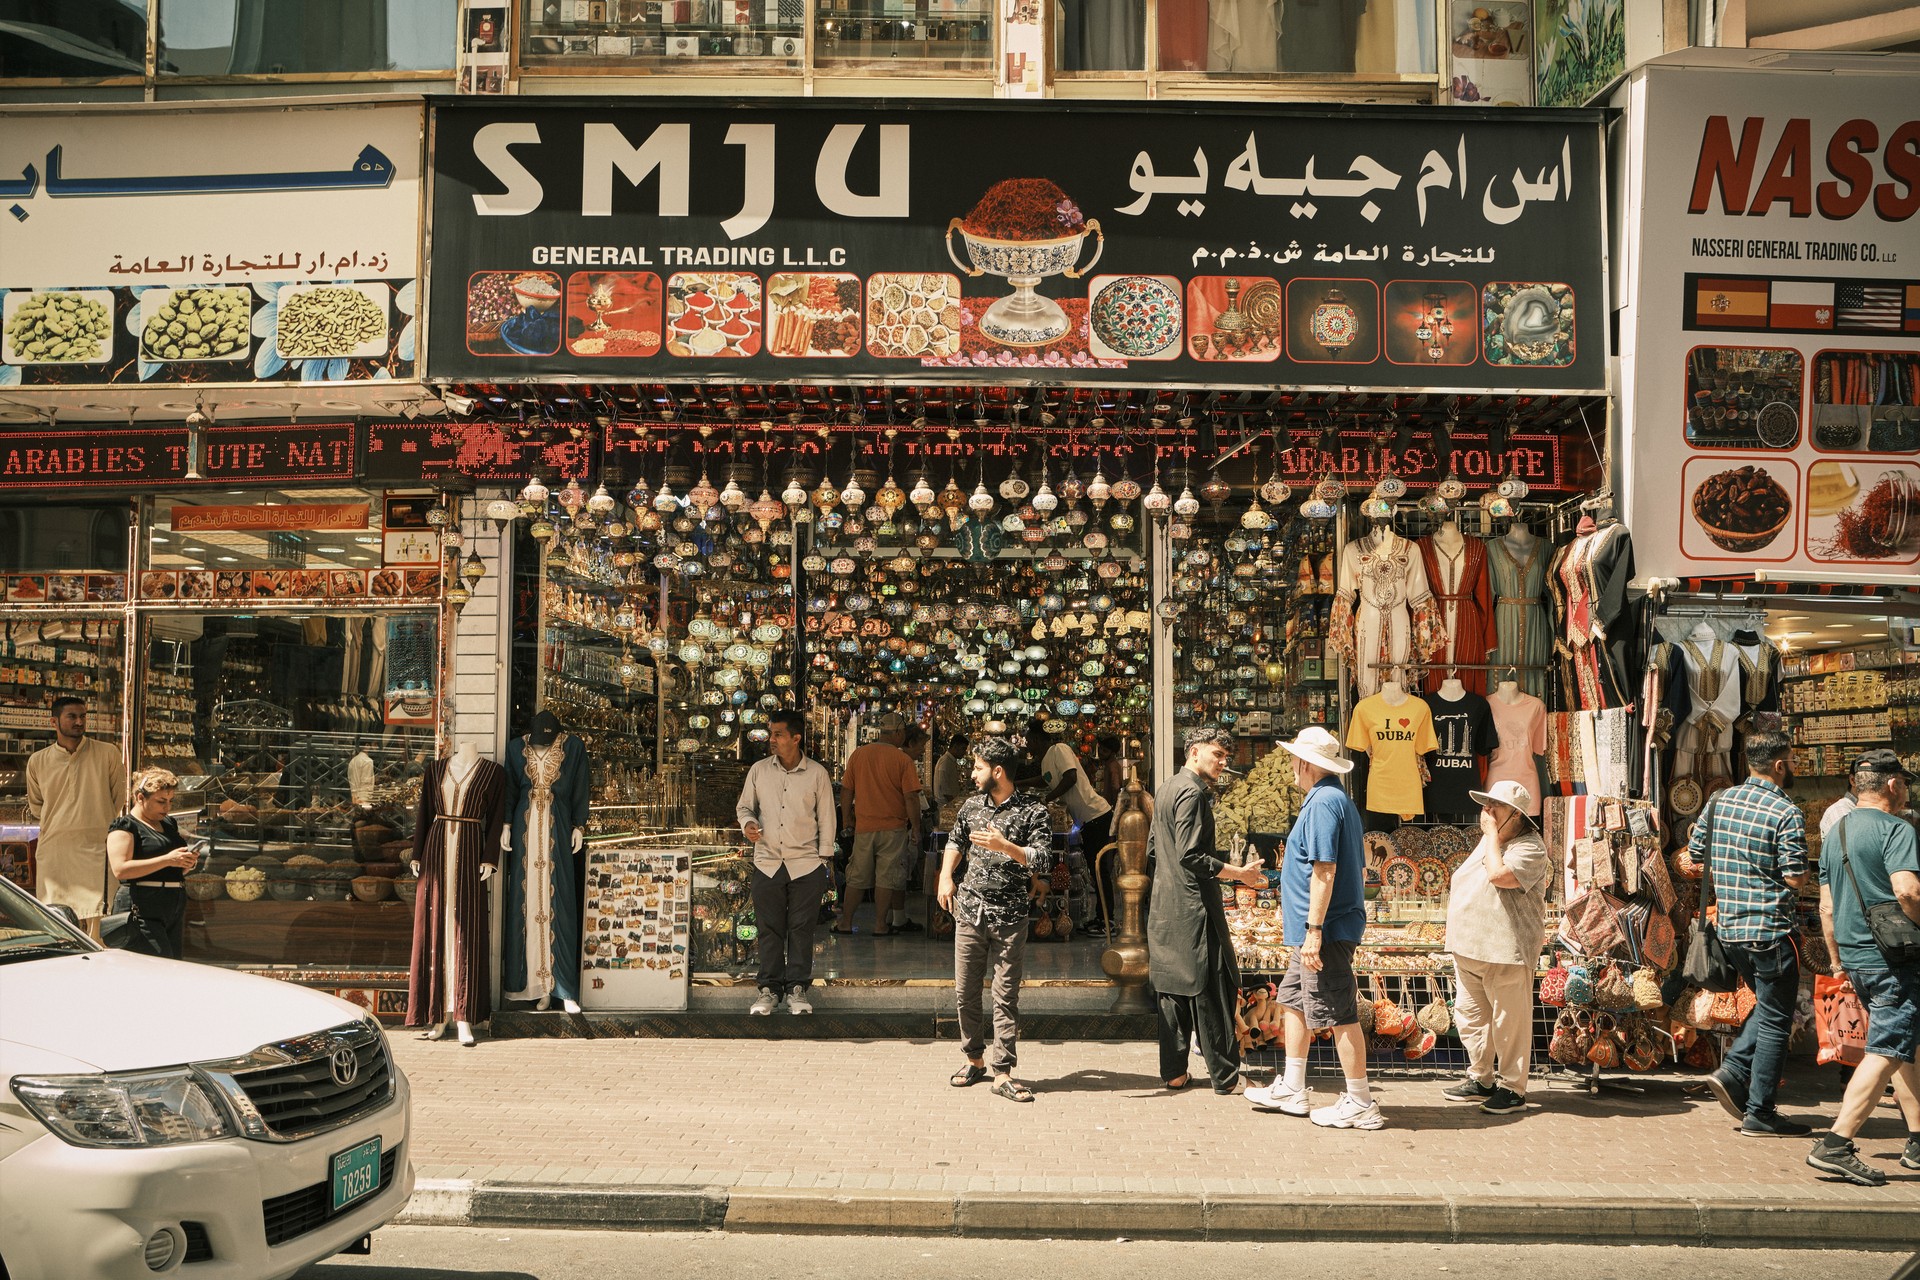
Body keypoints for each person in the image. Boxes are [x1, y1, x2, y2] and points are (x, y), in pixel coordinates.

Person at [1245, 726, 1379, 1129]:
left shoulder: (1323, 803)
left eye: (1293, 758)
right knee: (1293, 999)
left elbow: (1324, 870)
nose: (1290, 765)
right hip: (1319, 929)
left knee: (1338, 1012)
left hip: (1326, 930)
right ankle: (1293, 1084)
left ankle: (1361, 1101)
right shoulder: (1332, 799)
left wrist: (1314, 930)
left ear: (1306, 763)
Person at [1690, 728, 1811, 1137]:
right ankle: (1760, 1110)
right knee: (1777, 1018)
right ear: (1779, 765)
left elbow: (1694, 855)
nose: (1792, 767)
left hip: (1729, 929)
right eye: (1792, 761)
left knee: (1769, 1007)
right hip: (1771, 931)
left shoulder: (1719, 801)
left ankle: (1736, 1071)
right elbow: (1795, 878)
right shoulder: (1785, 811)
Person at [1809, 749, 1920, 1186]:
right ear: (1892, 785)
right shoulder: (1897, 829)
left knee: (1903, 1042)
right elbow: (1908, 892)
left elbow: (1827, 908)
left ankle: (1917, 1139)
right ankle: (1836, 1144)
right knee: (1889, 1048)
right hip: (1894, 958)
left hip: (1857, 958)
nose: (1907, 790)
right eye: (1906, 783)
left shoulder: (1835, 834)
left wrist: (1837, 962)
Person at [1148, 725, 1265, 1093]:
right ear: (1194, 751)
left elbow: (1155, 849)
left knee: (1173, 991)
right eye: (1217, 754)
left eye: (1226, 756)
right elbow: (1191, 855)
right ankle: (1227, 1078)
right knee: (1211, 990)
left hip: (1166, 906)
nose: (1222, 762)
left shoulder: (1167, 788)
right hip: (1194, 907)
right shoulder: (1192, 794)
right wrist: (1238, 874)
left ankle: (1174, 1073)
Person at [938, 737, 1052, 1103]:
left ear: (997, 771)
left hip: (1010, 916)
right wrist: (945, 876)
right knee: (965, 992)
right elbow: (955, 842)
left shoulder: (1034, 811)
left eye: (978, 767)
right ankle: (974, 1059)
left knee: (1005, 996)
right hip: (970, 910)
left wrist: (1006, 847)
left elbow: (1043, 860)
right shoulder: (971, 806)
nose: (972, 774)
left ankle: (1003, 1070)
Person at [1441, 779, 1554, 1115]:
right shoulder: (1490, 840)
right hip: (1470, 947)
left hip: (1505, 951)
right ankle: (1481, 1078)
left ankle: (1512, 1088)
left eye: (1496, 808)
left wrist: (1491, 836)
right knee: (1471, 1019)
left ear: (1516, 816)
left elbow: (1500, 876)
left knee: (1509, 1023)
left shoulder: (1530, 848)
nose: (1487, 813)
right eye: (1485, 805)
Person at [736, 710, 836, 1016]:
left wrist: (825, 860)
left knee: (802, 928)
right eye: (771, 734)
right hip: (767, 861)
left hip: (806, 863)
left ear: (796, 738)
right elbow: (744, 807)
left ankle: (797, 988)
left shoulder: (817, 773)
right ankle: (768, 990)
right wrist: (749, 824)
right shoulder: (759, 770)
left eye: (778, 734)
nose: (772, 740)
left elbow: (827, 817)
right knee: (768, 928)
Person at [25, 696, 125, 938]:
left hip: (96, 849)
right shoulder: (38, 761)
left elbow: (117, 799)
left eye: (83, 716)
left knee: (98, 930)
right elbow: (37, 806)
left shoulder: (108, 753)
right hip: (55, 851)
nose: (79, 722)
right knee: (57, 921)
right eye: (72, 716)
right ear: (54, 722)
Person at [837, 712, 924, 937]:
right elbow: (911, 798)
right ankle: (879, 925)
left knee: (857, 876)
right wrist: (915, 827)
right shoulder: (902, 760)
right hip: (893, 829)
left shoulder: (859, 755)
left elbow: (847, 791)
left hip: (864, 827)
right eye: (902, 732)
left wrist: (847, 819)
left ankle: (845, 922)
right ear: (897, 732)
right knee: (886, 877)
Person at [1026, 717, 1115, 927]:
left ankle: (1107, 919)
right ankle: (1101, 917)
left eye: (1029, 740)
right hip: (1086, 821)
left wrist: (1047, 799)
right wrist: (1018, 785)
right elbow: (1044, 780)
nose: (1027, 745)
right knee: (1095, 871)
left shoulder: (1060, 749)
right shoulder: (1046, 759)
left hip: (1097, 816)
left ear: (1038, 739)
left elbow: (1070, 777)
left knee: (1100, 870)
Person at [105, 768, 202, 960]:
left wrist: (186, 862)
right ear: (140, 798)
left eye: (170, 801)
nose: (167, 807)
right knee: (156, 967)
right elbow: (120, 869)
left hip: (172, 906)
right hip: (142, 907)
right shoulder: (125, 825)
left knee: (172, 965)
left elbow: (168, 868)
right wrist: (168, 859)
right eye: (161, 801)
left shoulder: (168, 824)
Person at [933, 735, 971, 810]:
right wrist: (954, 804)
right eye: (963, 749)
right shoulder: (946, 762)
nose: (964, 752)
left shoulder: (950, 761)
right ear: (955, 746)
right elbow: (944, 787)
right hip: (945, 807)